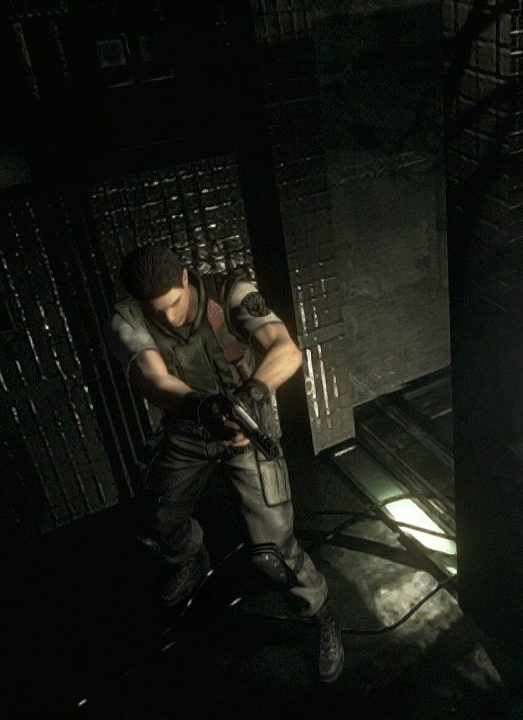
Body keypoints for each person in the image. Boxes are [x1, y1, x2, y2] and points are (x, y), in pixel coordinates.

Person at [106, 244, 344, 683]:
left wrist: (250, 396)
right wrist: (200, 409)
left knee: (273, 555)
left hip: (244, 427)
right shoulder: (128, 319)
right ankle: (190, 558)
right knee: (155, 521)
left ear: (185, 278)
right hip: (187, 429)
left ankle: (320, 612)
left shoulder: (229, 291)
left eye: (176, 304)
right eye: (158, 311)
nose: (170, 318)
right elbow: (153, 378)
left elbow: (286, 351)